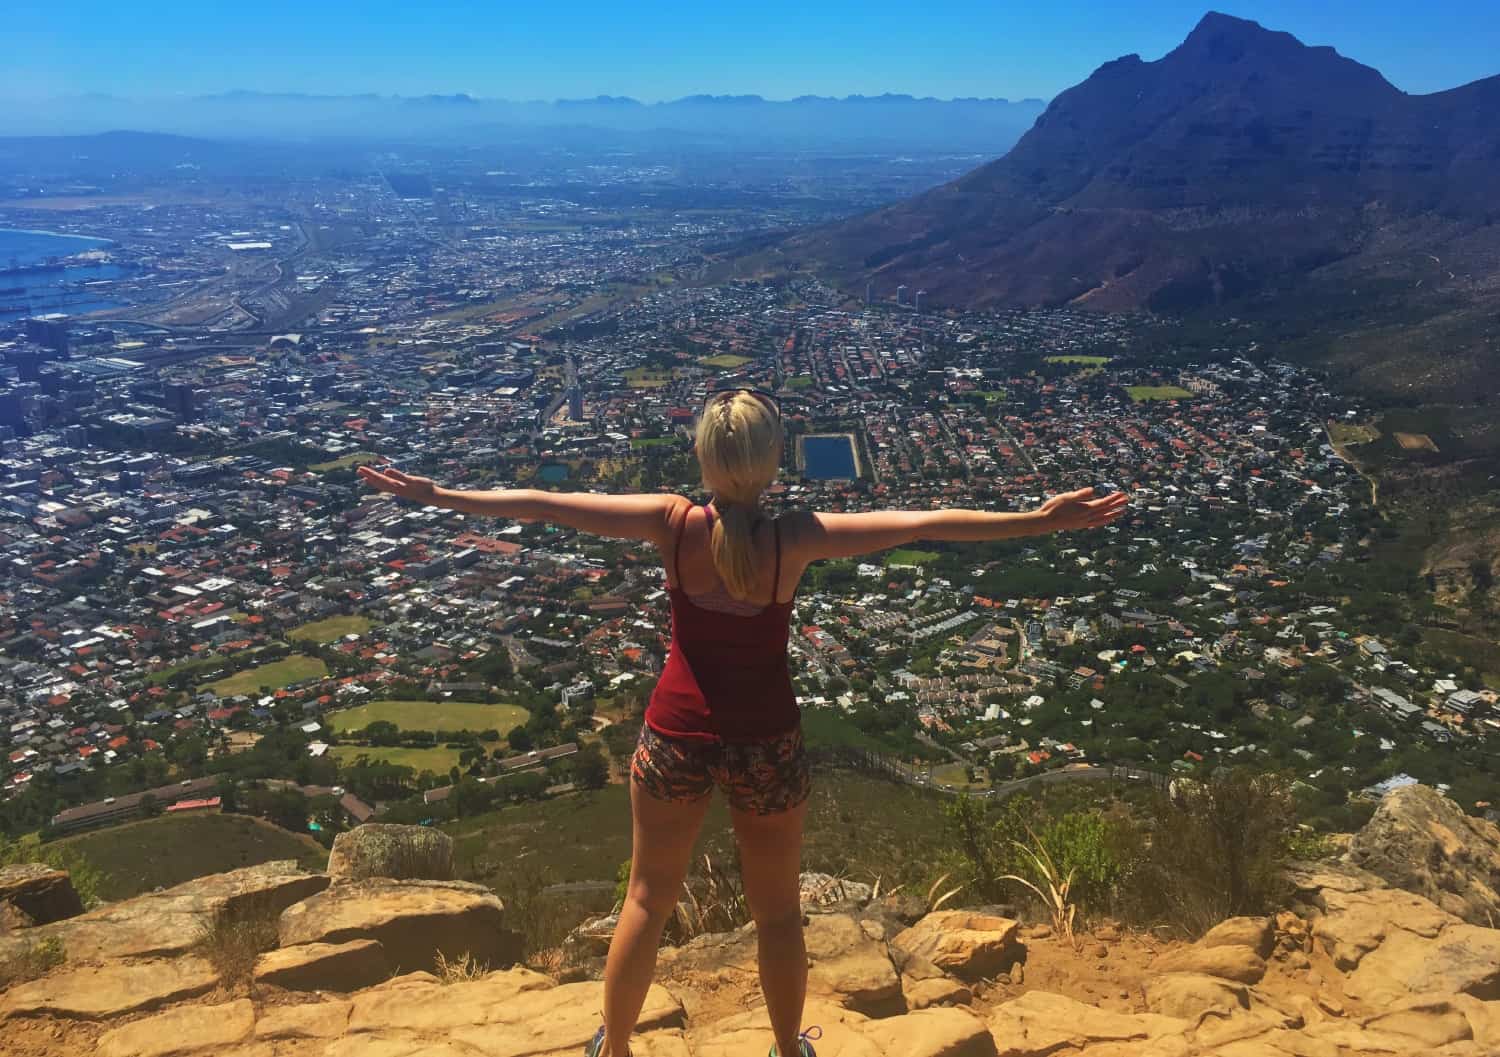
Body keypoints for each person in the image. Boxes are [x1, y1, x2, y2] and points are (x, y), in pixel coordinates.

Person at [358, 387, 1128, 1057]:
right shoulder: (793, 537)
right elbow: (923, 524)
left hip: (673, 735)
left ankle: (615, 1045)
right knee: (779, 914)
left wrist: (441, 494)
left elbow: (545, 506)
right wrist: (1035, 519)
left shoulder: (672, 523)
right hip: (768, 742)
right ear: (770, 460)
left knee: (647, 900)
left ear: (703, 459)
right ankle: (787, 1045)